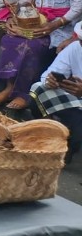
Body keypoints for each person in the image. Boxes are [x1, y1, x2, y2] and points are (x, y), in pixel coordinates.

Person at [30, 22, 82, 163]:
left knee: (78, 128)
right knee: (39, 88)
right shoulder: (75, 47)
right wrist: (51, 80)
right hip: (77, 99)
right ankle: (50, 135)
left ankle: (71, 145)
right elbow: (49, 74)